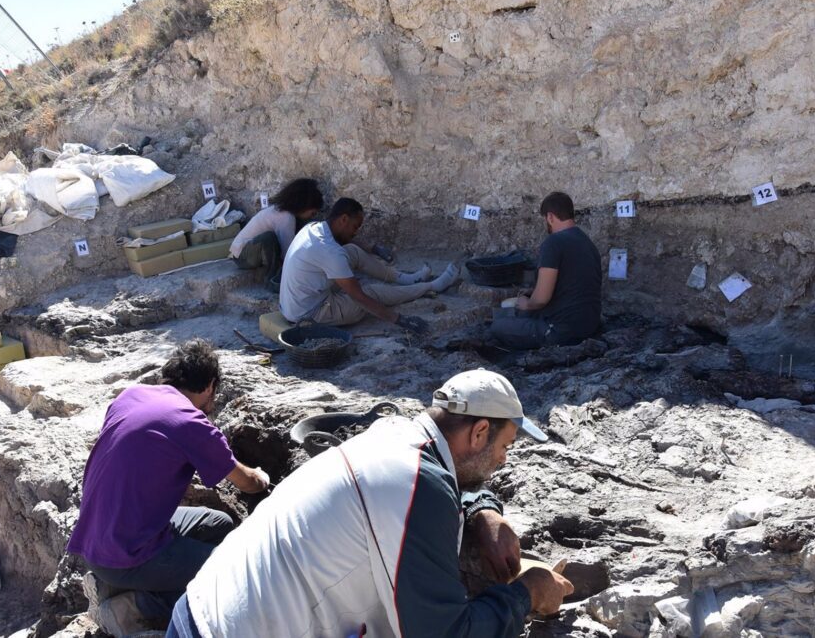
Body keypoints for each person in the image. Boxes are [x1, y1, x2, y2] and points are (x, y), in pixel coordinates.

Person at [167, 369, 573, 638]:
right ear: (480, 431)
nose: (503, 461)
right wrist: (528, 595)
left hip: (197, 609)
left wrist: (484, 510)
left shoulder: (393, 434)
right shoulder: (417, 486)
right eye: (505, 447)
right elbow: (445, 633)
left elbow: (449, 482)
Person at [67, 339, 271, 635]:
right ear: (210, 385)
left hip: (97, 537)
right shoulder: (190, 423)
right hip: (126, 553)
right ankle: (135, 608)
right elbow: (247, 483)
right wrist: (262, 477)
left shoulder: (132, 394)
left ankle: (131, 584)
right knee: (230, 575)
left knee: (220, 524)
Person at [279, 197, 459, 334]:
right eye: (355, 226)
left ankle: (406, 279)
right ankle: (431, 286)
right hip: (309, 314)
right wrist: (399, 320)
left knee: (352, 250)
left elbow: (349, 241)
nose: (355, 231)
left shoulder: (314, 228)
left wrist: (374, 248)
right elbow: (359, 298)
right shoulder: (330, 252)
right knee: (370, 293)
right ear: (343, 219)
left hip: (297, 303)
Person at [490, 191, 602, 349]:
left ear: (550, 217)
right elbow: (571, 284)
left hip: (561, 332)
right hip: (589, 325)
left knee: (497, 326)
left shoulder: (553, 243)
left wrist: (526, 303)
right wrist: (532, 292)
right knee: (523, 314)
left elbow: (541, 299)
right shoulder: (587, 242)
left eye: (545, 219)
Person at [229, 178, 325, 275]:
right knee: (269, 238)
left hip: (244, 253)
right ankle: (272, 280)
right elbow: (288, 252)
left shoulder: (283, 213)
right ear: (304, 206)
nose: (312, 217)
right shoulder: (286, 218)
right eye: (312, 213)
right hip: (242, 257)